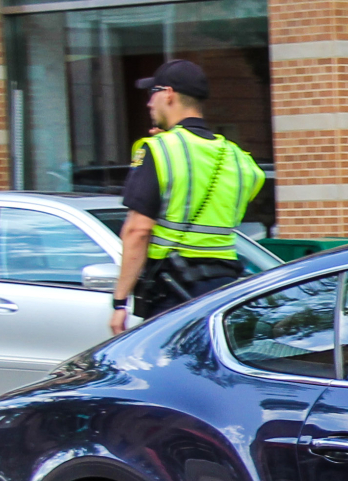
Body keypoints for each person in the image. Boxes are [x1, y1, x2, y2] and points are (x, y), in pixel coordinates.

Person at [109, 59, 268, 334]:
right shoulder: (239, 159)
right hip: (226, 291)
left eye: (152, 94)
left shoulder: (158, 150)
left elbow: (138, 230)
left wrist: (120, 301)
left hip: (173, 294)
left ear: (168, 94)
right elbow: (246, 187)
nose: (148, 104)